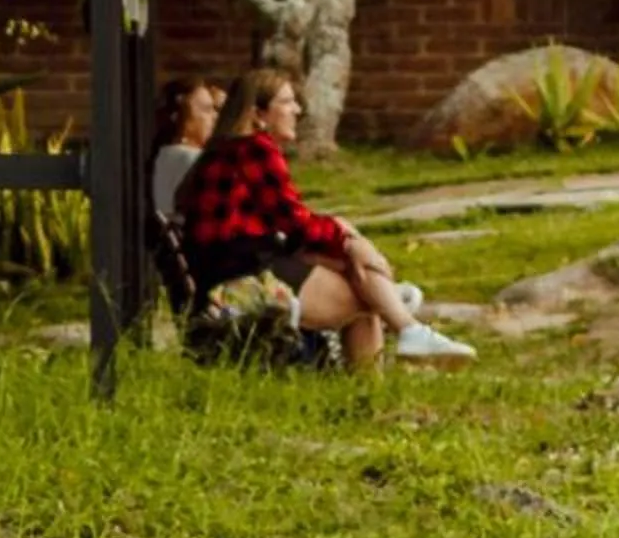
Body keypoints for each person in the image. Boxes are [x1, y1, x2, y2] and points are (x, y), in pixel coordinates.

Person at [180, 68, 477, 367]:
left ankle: (401, 320)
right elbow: (294, 221)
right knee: (366, 298)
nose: (297, 110)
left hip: (235, 262)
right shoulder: (253, 149)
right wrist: (349, 241)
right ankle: (401, 322)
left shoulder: (227, 150)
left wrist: (342, 240)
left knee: (354, 266)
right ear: (258, 113)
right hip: (242, 274)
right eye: (287, 102)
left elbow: (283, 224)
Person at [150, 76, 221, 218]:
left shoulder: (163, 154)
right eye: (206, 110)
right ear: (181, 116)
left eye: (215, 109)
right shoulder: (191, 159)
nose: (215, 117)